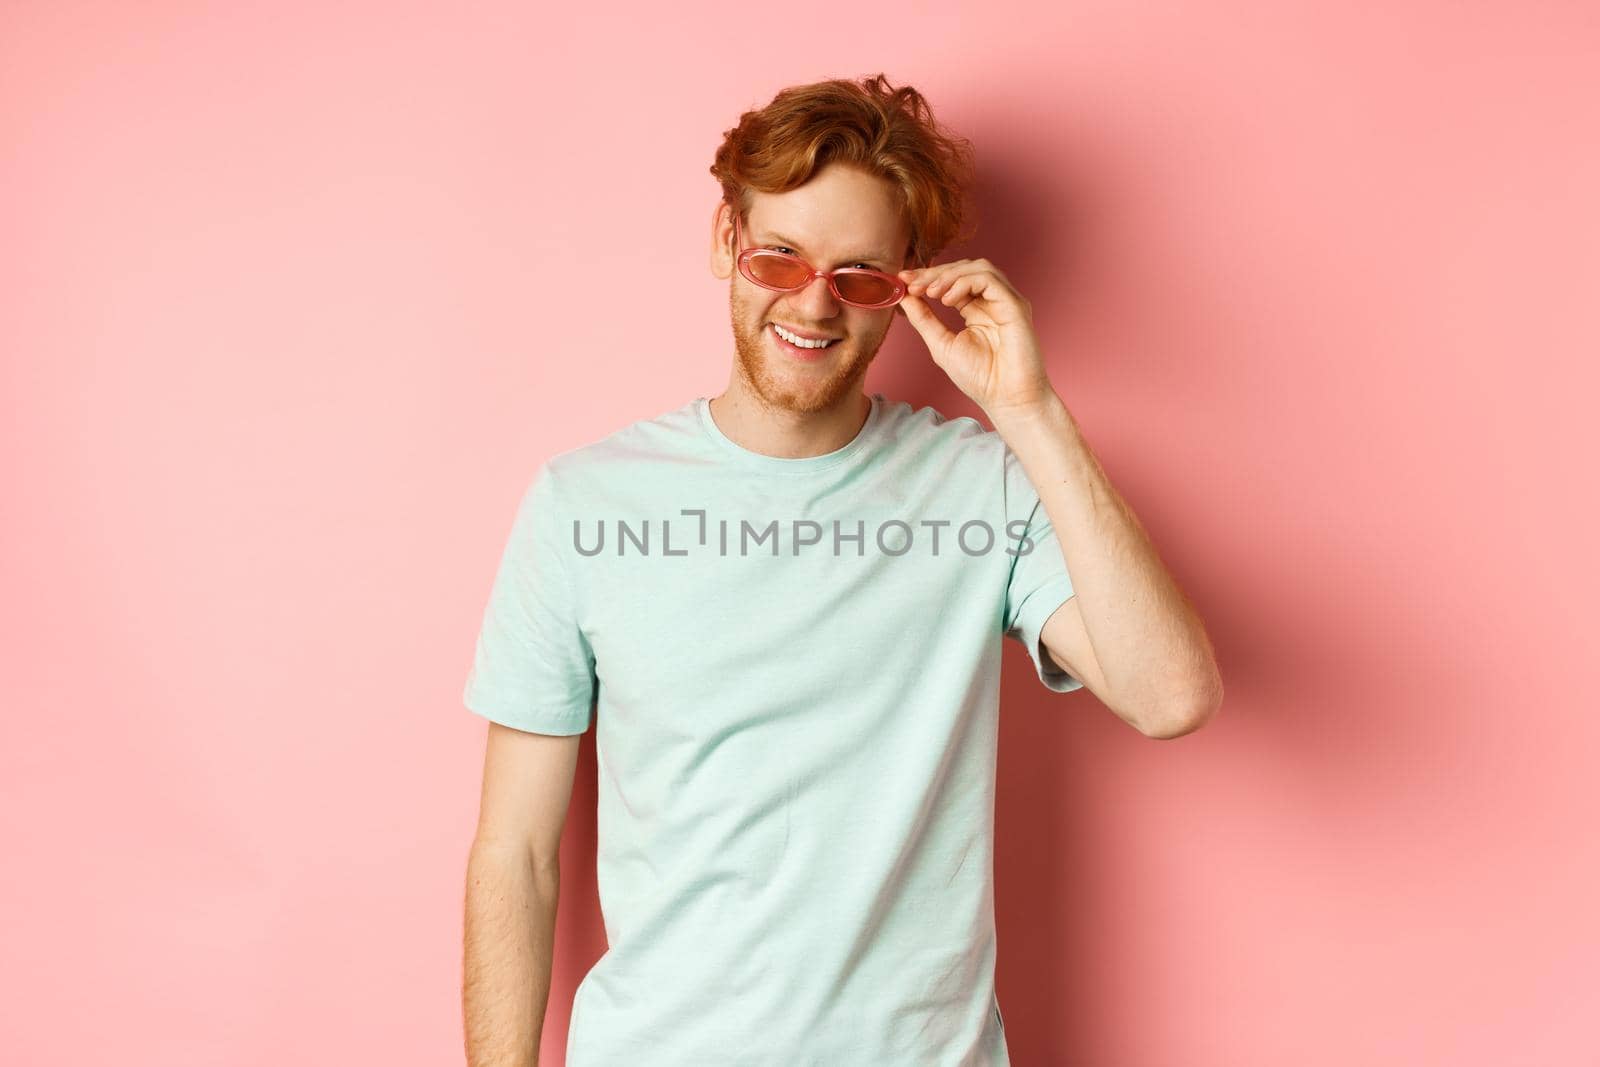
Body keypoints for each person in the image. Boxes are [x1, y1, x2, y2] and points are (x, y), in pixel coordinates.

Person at [461, 73, 1223, 1067]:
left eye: (860, 275)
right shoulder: (584, 504)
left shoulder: (979, 486)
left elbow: (1171, 694)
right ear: (724, 241)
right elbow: (514, 854)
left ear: (906, 286)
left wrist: (1029, 411)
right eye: (779, 256)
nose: (814, 304)